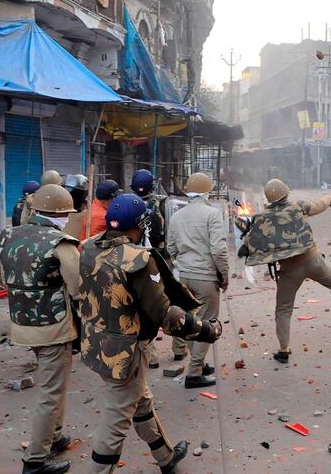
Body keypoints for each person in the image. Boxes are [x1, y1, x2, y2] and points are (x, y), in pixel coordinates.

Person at [78, 193, 222, 474]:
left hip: (96, 342)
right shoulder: (138, 260)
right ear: (140, 224)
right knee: (116, 421)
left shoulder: (88, 248)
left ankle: (166, 459)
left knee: (141, 403)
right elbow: (166, 315)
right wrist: (207, 330)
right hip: (126, 353)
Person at [244, 179, 331, 364]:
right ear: (286, 193)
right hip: (313, 260)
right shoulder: (297, 206)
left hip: (288, 269)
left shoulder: (262, 218)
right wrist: (328, 197)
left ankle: (283, 350)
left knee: (283, 310)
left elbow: (249, 245)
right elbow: (319, 205)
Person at [0, 184, 80, 474]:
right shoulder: (61, 242)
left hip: (22, 322)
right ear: (61, 214)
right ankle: (35, 460)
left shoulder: (9, 234)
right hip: (53, 326)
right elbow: (77, 287)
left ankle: (54, 437)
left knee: (52, 387)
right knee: (51, 392)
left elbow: (8, 273)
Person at [166, 173, 229, 388]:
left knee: (191, 323)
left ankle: (198, 364)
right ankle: (194, 374)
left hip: (183, 277)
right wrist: (224, 274)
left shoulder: (176, 217)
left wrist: (182, 265)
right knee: (208, 323)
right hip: (205, 277)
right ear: (207, 191)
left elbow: (171, 249)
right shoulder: (212, 214)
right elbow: (219, 250)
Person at [131, 169, 168, 368]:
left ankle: (151, 354)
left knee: (143, 307)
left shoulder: (128, 205)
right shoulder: (161, 204)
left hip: (136, 261)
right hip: (159, 259)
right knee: (169, 300)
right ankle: (179, 348)